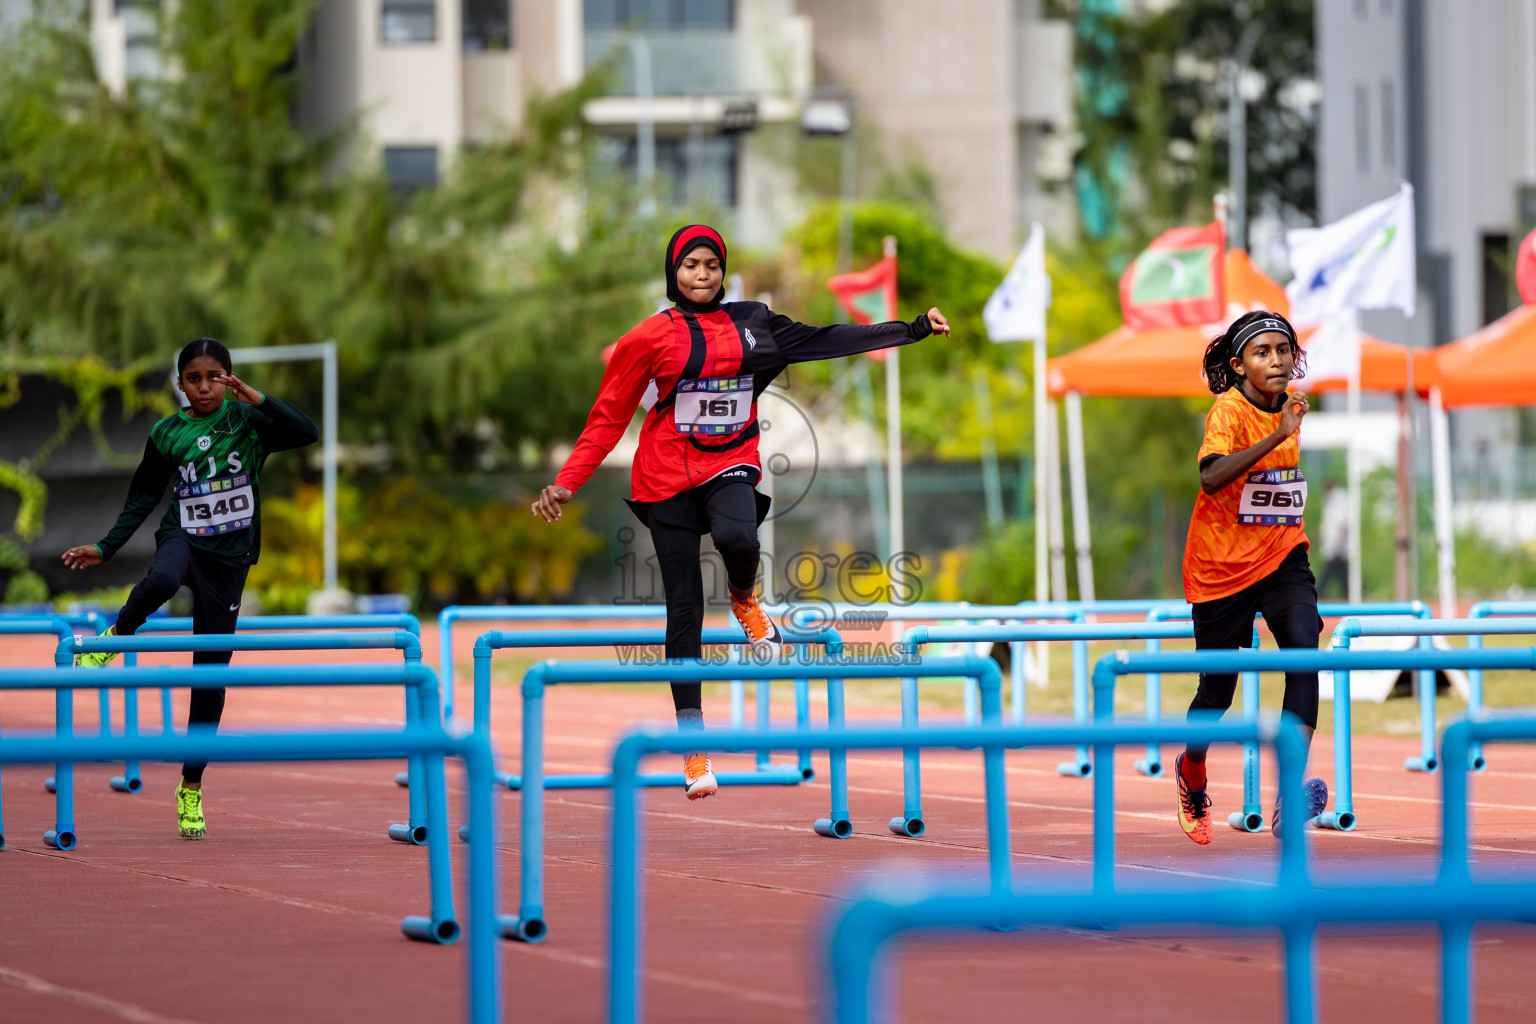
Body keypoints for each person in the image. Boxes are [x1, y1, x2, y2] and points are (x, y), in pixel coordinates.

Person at [532, 224, 951, 801]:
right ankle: (694, 750)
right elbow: (607, 419)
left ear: (722, 270)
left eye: (711, 265)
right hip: (664, 479)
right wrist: (566, 483)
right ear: (673, 273)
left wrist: (911, 330)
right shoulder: (648, 338)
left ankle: (744, 598)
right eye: (690, 267)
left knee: (738, 538)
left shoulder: (756, 324)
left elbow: (830, 338)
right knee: (682, 609)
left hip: (730, 460)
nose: (702, 276)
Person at [61, 338, 318, 839]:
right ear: (180, 383)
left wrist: (255, 397)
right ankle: (118, 636)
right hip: (183, 537)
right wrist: (106, 547)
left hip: (230, 559)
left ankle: (191, 787)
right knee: (160, 578)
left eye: (215, 377)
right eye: (194, 378)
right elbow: (142, 497)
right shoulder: (167, 432)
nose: (204, 387)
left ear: (229, 378)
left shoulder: (249, 424)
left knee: (210, 678)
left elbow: (306, 431)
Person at [1176, 310, 1330, 845]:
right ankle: (1192, 770)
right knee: (1218, 690)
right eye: (1262, 353)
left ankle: (1289, 793)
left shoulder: (1290, 407)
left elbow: (1281, 493)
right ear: (1239, 365)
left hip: (1282, 554)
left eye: (1283, 350)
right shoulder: (1229, 410)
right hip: (1220, 569)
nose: (1277, 361)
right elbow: (1212, 477)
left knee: (1304, 656)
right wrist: (1278, 435)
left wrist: (1303, 603)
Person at [1317, 479, 1349, 598]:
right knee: (1342, 575)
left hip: (1337, 547)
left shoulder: (1339, 501)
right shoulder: (1331, 501)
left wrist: (1339, 547)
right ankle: (1358, 592)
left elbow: (1343, 525)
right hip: (1334, 546)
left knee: (1329, 573)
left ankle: (1318, 593)